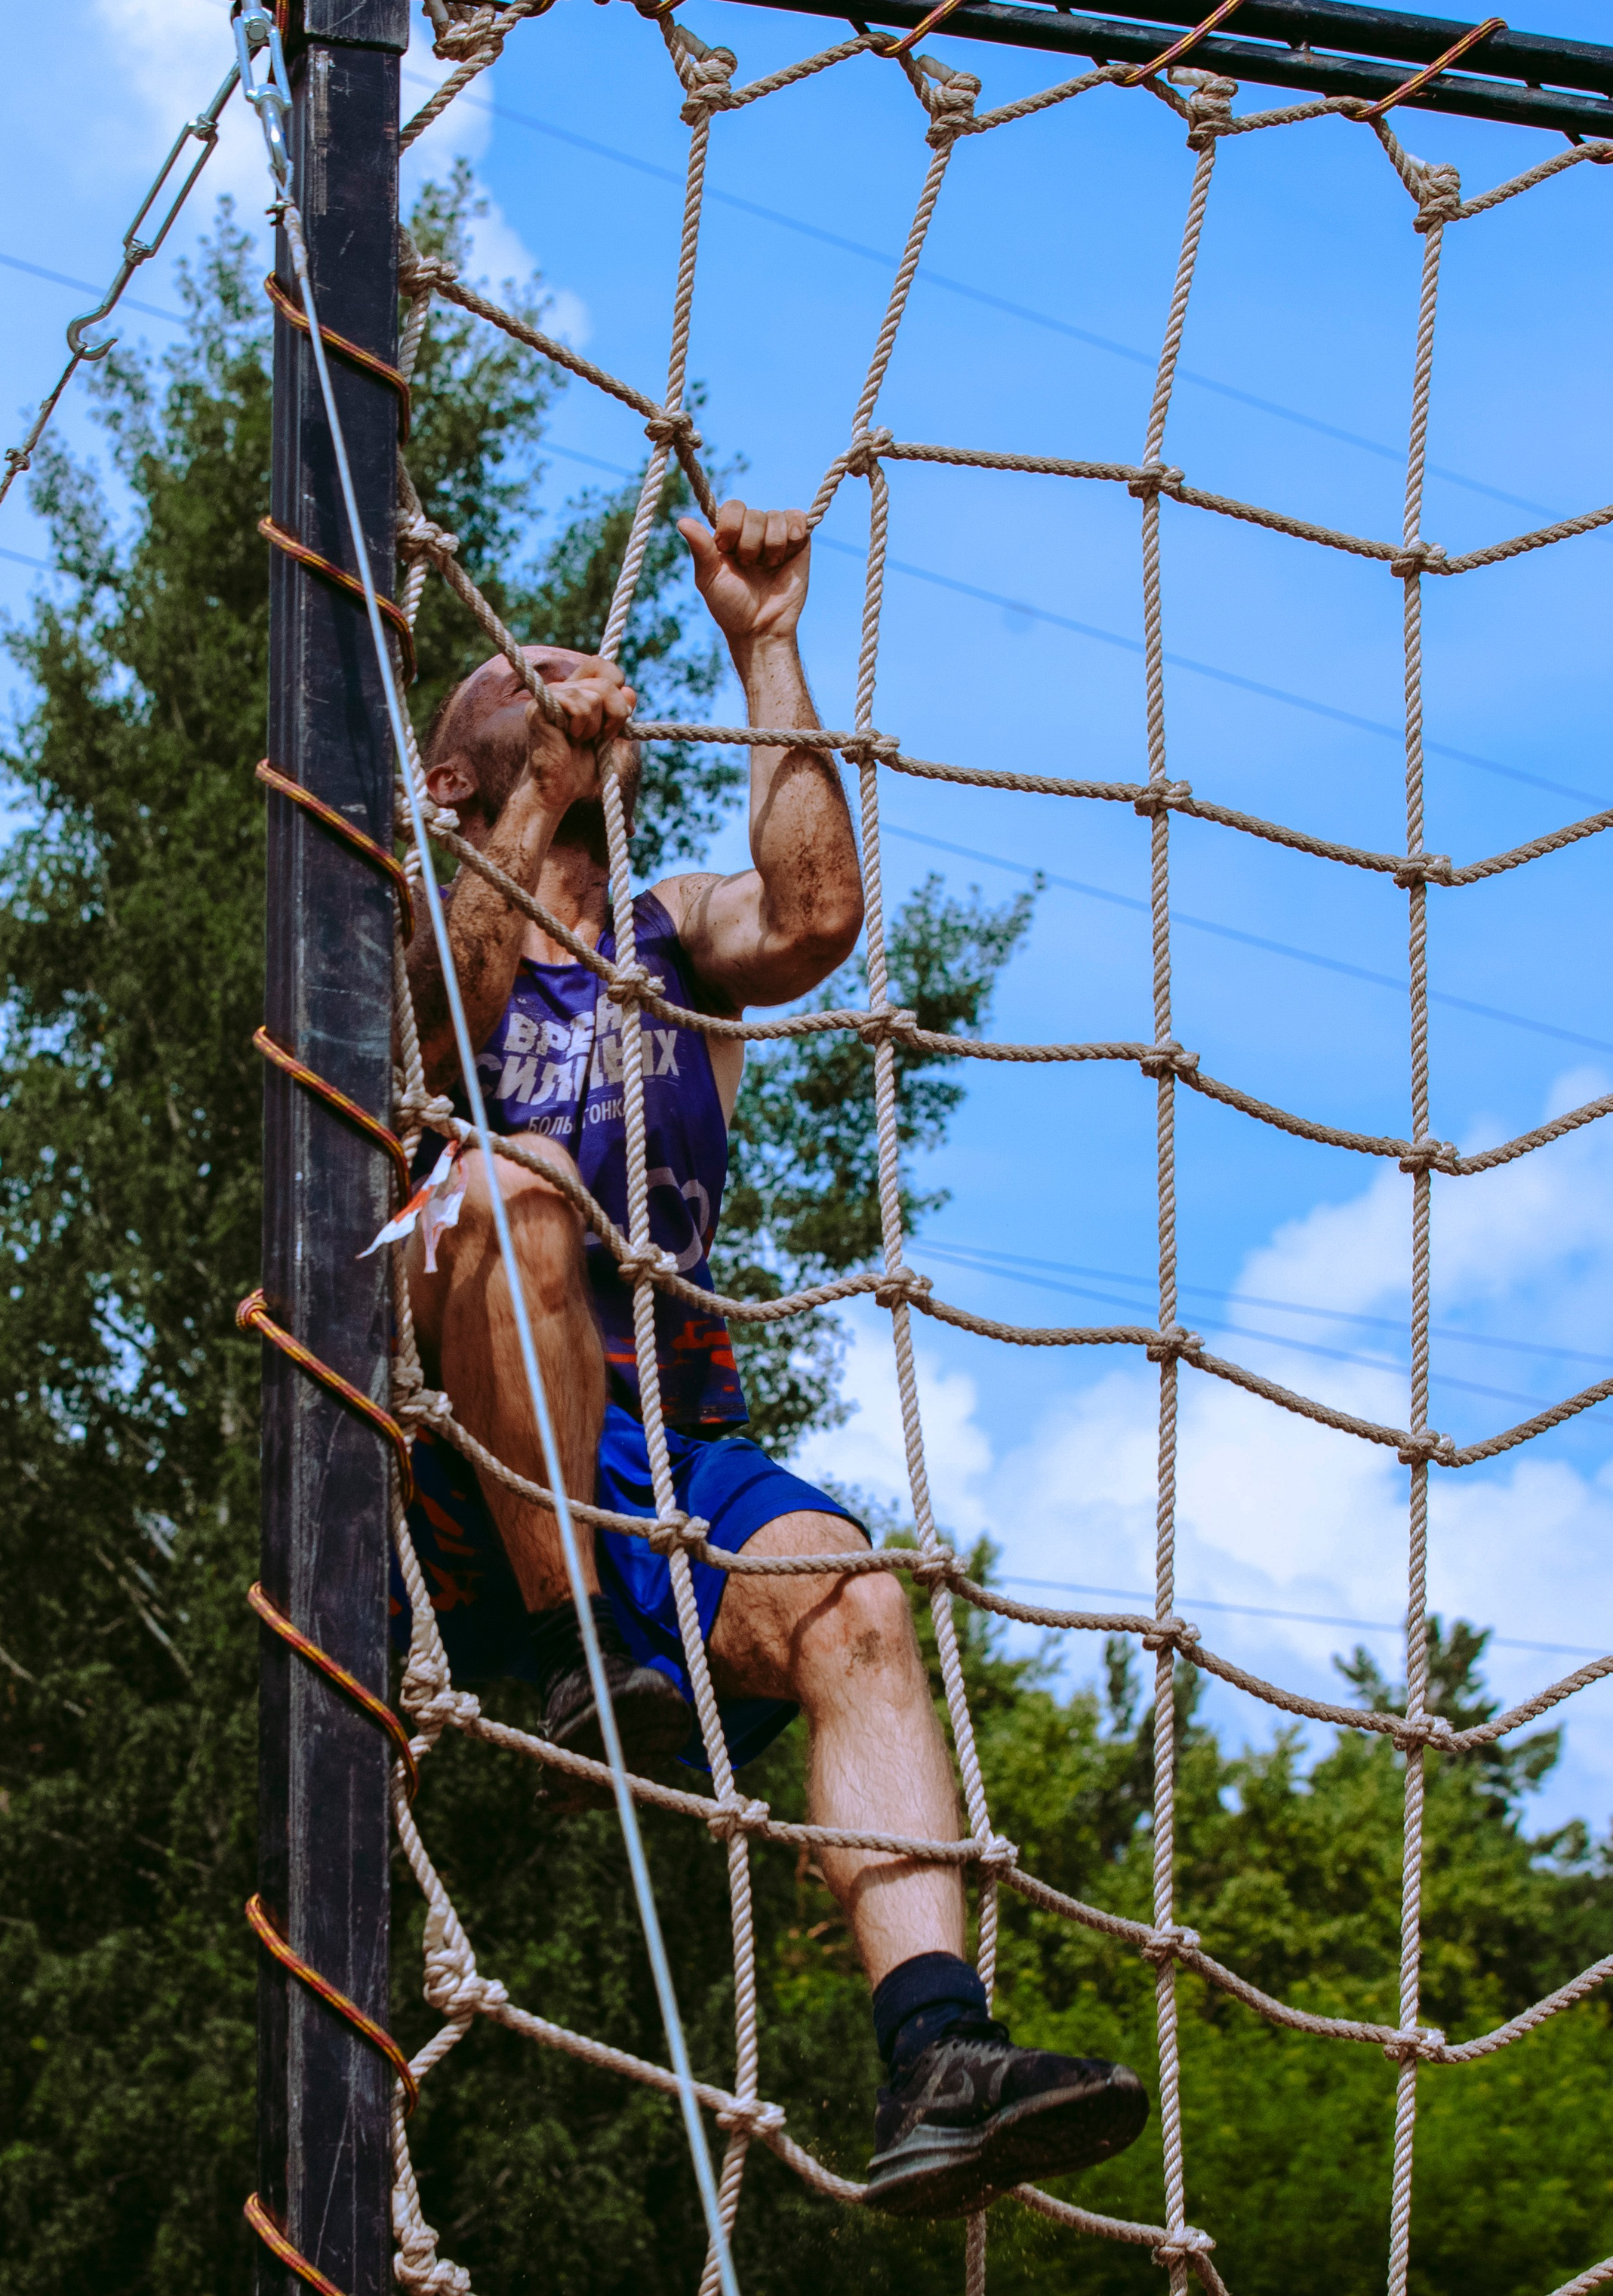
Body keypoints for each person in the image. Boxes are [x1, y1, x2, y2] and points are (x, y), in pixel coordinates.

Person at [397, 499, 1147, 2217]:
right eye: (516, 686)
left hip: (658, 1434)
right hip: (467, 1457)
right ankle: (584, 1645)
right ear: (453, 781)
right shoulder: (409, 915)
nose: (566, 677)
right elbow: (450, 1014)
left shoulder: (669, 938)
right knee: (517, 1192)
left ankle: (935, 2054)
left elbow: (814, 915)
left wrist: (762, 644)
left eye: (576, 669)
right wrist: (525, 805)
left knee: (857, 1597)